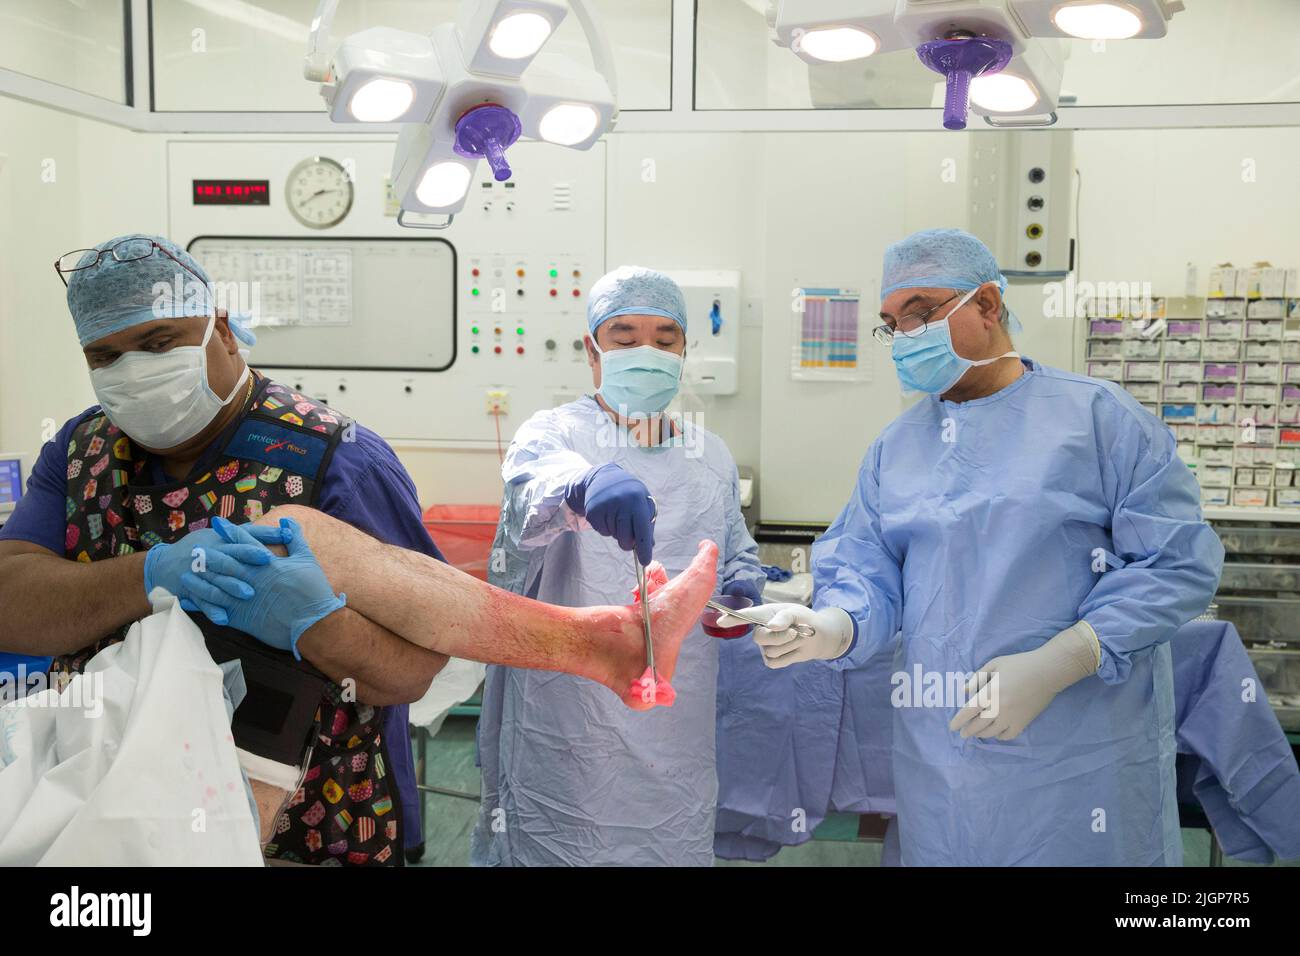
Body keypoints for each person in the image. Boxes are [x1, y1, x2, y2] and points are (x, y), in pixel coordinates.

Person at [731, 228, 1225, 866]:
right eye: (892, 324)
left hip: (1080, 766)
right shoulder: (897, 448)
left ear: (988, 305)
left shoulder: (1099, 421)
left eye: (922, 313)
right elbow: (866, 571)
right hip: (943, 767)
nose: (906, 336)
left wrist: (1063, 661)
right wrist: (830, 626)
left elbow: (1177, 563)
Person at [0, 234, 447, 866]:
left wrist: (317, 626)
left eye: (158, 344)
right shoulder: (78, 453)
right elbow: (10, 603)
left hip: (313, 822)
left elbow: (417, 667)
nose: (133, 371)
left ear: (224, 329)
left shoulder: (337, 461)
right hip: (107, 816)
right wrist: (151, 575)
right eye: (105, 355)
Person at [466, 266, 764, 866]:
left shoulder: (710, 453)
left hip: (675, 709)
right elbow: (529, 500)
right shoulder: (554, 434)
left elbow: (735, 547)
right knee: (564, 842)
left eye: (664, 338)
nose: (646, 351)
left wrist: (741, 587)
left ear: (685, 349)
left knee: (670, 840)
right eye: (625, 338)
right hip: (568, 707)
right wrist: (582, 482)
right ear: (592, 350)